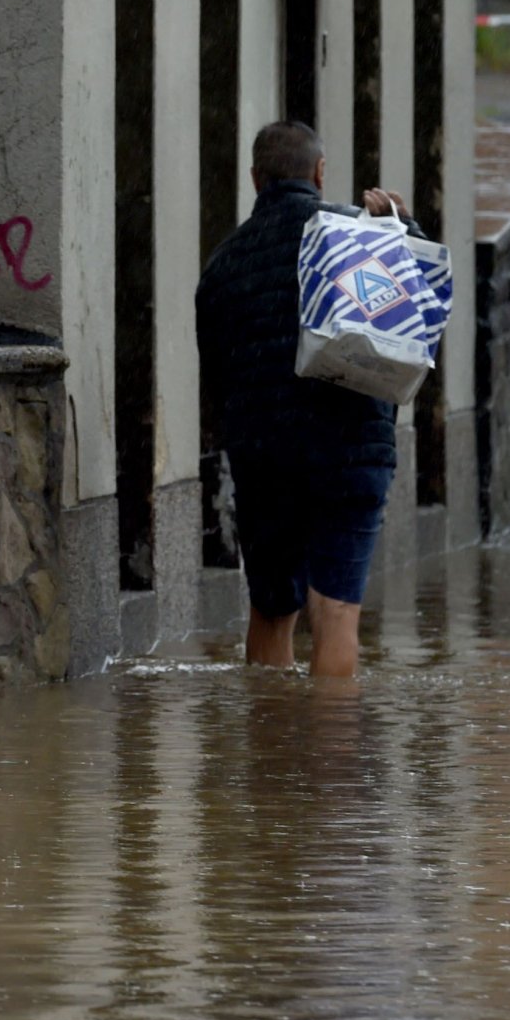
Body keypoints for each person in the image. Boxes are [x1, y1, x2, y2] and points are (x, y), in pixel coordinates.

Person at [193, 122, 413, 679]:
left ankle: (274, 754)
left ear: (255, 179)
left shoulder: (221, 267)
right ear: (319, 173)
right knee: (336, 616)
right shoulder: (354, 235)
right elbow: (407, 326)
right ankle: (329, 759)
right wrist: (400, 228)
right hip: (351, 453)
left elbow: (216, 379)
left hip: (265, 459)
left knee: (270, 612)